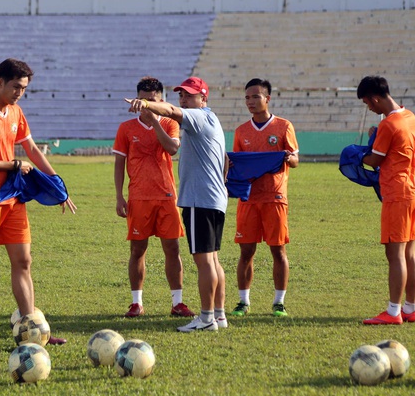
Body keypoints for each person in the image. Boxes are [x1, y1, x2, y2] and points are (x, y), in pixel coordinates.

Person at [0, 58, 77, 346]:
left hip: (13, 198)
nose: (20, 92)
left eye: (24, 88)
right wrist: (12, 165)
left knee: (23, 261)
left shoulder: (16, 112)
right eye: (16, 87)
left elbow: (31, 149)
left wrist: (58, 185)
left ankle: (33, 328)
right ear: (0, 83)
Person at [125, 76, 228, 332]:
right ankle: (219, 315)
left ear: (204, 98)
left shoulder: (198, 117)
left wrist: (146, 106)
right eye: (181, 94)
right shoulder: (211, 119)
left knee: (204, 261)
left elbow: (170, 111)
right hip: (213, 198)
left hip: (199, 200)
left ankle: (206, 319)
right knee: (213, 260)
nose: (183, 99)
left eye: (190, 95)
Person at [113, 76, 194, 318]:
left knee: (172, 248)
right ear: (137, 99)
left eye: (152, 100)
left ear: (160, 100)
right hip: (138, 197)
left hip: (166, 195)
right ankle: (136, 303)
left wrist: (154, 122)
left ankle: (177, 302)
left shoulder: (170, 123)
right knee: (137, 250)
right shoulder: (126, 128)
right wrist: (119, 196)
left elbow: (171, 148)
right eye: (143, 100)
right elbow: (119, 164)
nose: (147, 104)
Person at [356, 75, 415, 325]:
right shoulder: (409, 116)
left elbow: (374, 160)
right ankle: (410, 308)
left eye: (367, 103)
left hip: (397, 195)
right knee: (409, 254)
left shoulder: (388, 125)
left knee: (395, 254)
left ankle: (393, 312)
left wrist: (356, 155)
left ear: (375, 98)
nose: (369, 108)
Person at [228, 78, 299, 318]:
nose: (251, 101)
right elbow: (236, 164)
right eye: (247, 97)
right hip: (248, 199)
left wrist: (289, 159)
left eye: (256, 97)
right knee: (246, 252)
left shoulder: (283, 126)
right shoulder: (241, 131)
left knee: (278, 251)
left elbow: (296, 159)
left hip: (274, 197)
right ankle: (243, 302)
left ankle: (279, 303)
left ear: (267, 99)